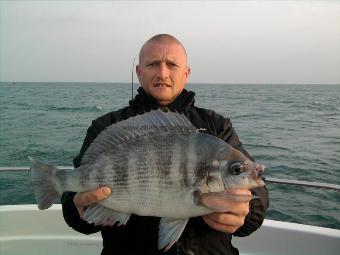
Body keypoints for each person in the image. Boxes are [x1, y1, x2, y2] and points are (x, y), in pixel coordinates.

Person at [61, 34, 269, 255]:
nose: (163, 73)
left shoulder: (216, 126)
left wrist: (245, 213)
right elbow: (75, 206)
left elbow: (257, 195)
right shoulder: (107, 126)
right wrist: (78, 207)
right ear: (139, 73)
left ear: (186, 73)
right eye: (153, 64)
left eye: (172, 64)